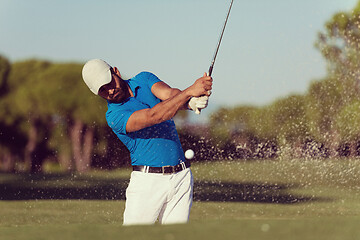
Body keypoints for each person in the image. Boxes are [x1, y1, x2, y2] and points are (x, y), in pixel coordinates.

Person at [81, 59, 212, 225]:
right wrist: (189, 92)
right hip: (148, 183)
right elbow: (154, 116)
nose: (110, 91)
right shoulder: (114, 116)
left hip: (182, 177)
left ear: (116, 71)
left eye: (109, 83)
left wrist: (190, 102)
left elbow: (170, 94)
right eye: (102, 90)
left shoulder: (144, 79)